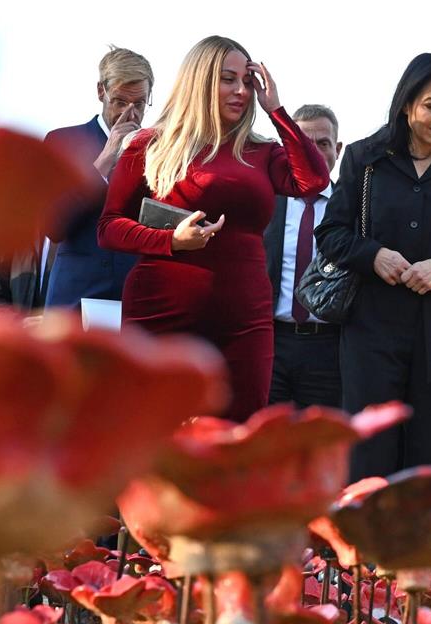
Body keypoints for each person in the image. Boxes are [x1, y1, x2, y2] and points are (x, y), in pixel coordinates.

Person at [97, 36, 329, 421]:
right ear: (200, 81)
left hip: (245, 319)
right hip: (162, 314)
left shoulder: (262, 151)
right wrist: (171, 239)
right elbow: (108, 227)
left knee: (239, 437)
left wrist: (277, 110)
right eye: (227, 79)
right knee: (155, 435)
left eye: (247, 81)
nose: (241, 91)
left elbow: (313, 181)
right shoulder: (150, 145)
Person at [314, 53, 431, 482]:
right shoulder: (364, 159)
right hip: (370, 330)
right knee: (368, 453)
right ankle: (359, 548)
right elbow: (331, 233)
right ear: (407, 104)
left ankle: (419, 549)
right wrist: (373, 255)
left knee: (429, 457)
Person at [43, 46, 154, 309]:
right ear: (100, 91)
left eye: (139, 103)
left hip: (136, 302)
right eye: (120, 102)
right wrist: (103, 161)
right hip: (74, 300)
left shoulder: (160, 150)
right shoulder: (62, 142)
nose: (131, 113)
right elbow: (53, 226)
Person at [263, 104, 343, 408]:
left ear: (337, 149)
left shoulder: (352, 209)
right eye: (303, 144)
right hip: (271, 342)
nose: (313, 153)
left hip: (329, 348)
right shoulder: (266, 204)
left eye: (322, 144)